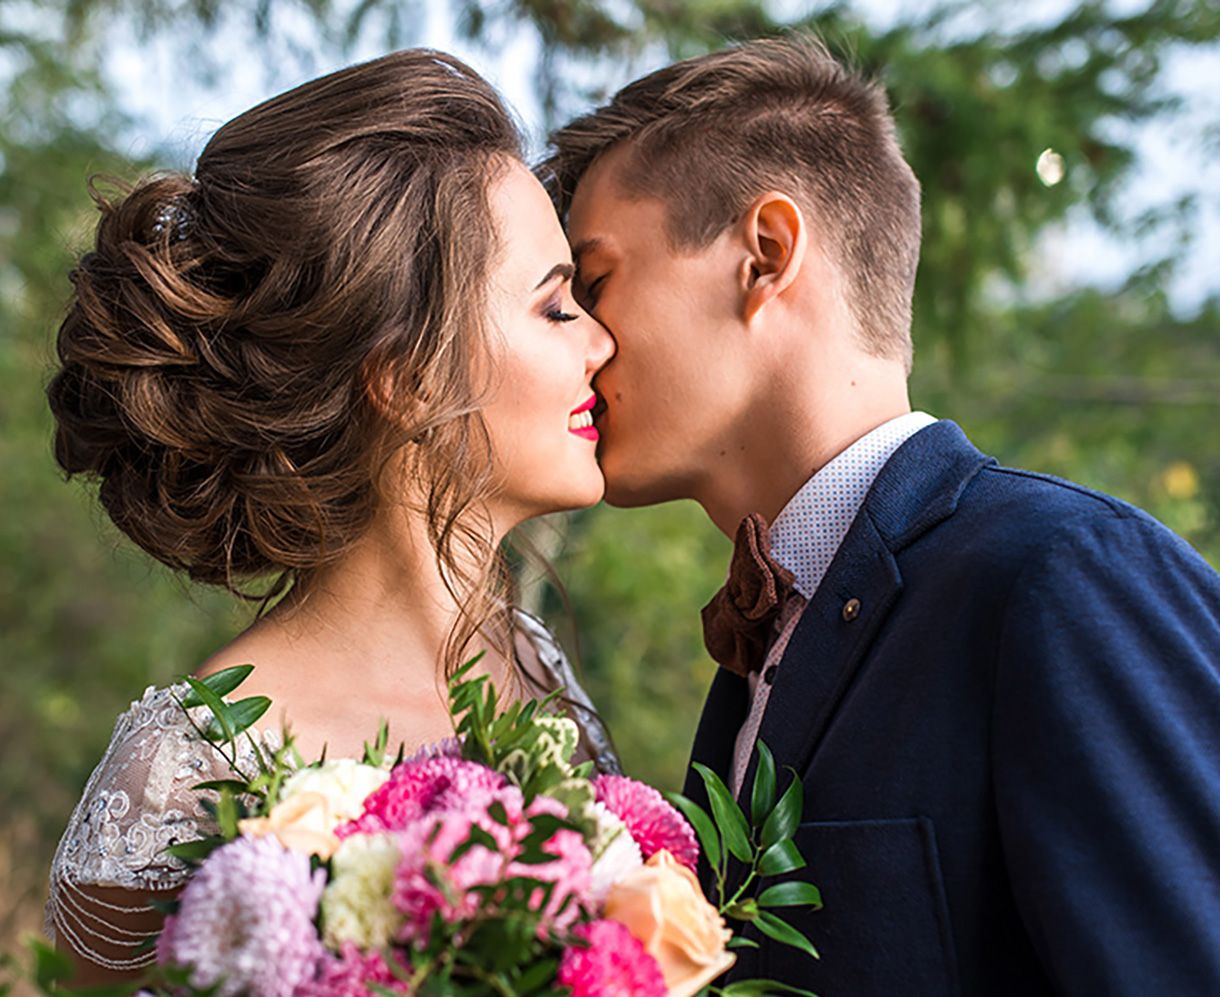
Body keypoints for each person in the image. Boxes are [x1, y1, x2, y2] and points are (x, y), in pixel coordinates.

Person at [540, 34, 1220, 995]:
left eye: (596, 281)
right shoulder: (755, 654)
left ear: (764, 256)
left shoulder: (1063, 573)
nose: (583, 341)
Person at [44, 49, 618, 985]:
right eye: (555, 307)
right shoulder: (192, 766)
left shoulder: (537, 674)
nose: (601, 339)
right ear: (403, 375)